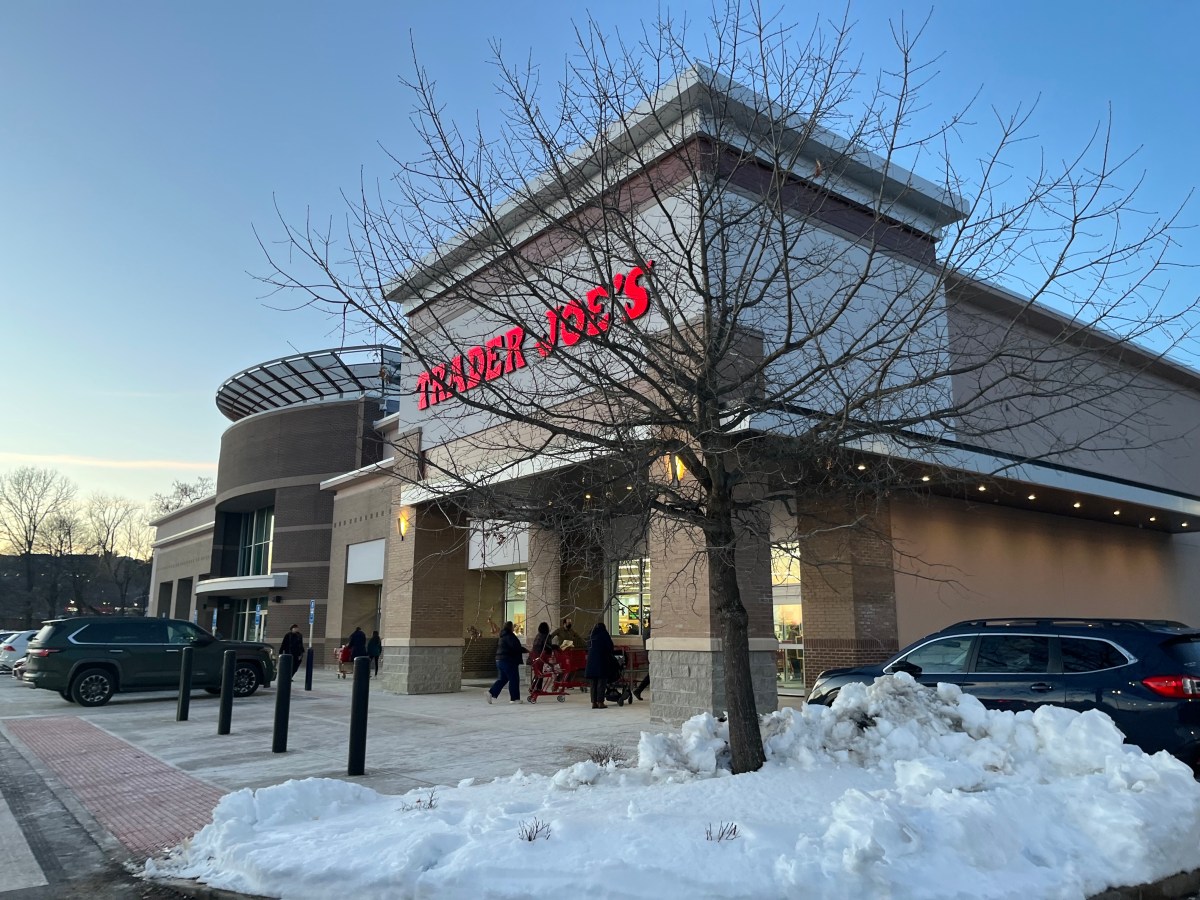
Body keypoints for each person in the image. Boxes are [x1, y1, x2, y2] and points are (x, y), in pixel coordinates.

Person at [487, 620, 528, 703]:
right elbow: (515, 647)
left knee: (503, 679)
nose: (513, 628)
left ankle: (491, 692)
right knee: (514, 679)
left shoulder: (503, 636)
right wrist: (526, 650)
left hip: (500, 660)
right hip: (508, 660)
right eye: (512, 626)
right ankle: (514, 698)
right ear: (510, 627)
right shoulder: (510, 636)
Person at [585, 622, 614, 709]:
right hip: (601, 661)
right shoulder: (604, 634)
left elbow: (587, 647)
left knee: (593, 683)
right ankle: (600, 702)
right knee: (601, 682)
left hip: (591, 662)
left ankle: (594, 702)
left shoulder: (590, 636)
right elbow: (610, 646)